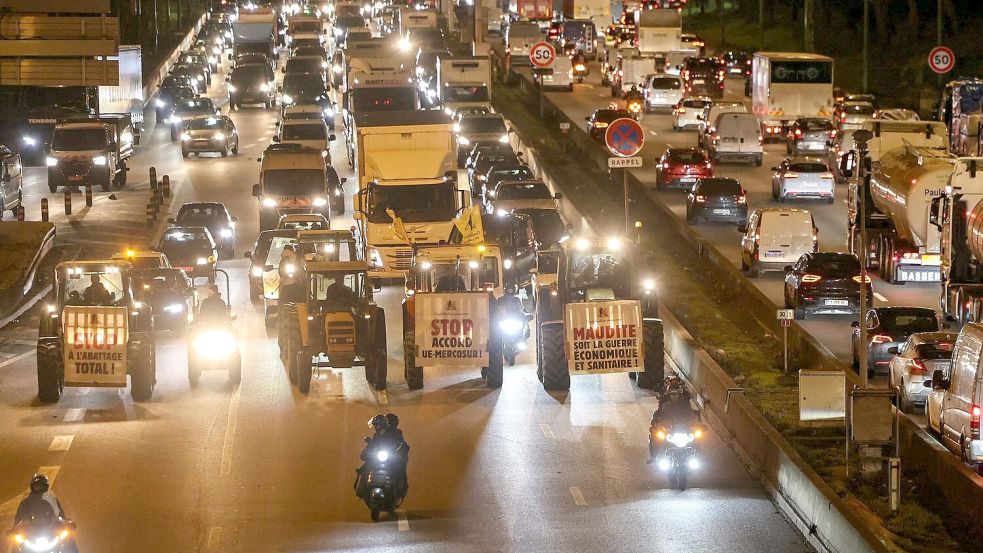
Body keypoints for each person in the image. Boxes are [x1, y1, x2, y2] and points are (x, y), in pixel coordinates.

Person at [647, 376, 701, 464]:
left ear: (679, 394)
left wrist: (696, 423)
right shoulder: (665, 404)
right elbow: (660, 414)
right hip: (669, 428)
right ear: (669, 394)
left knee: (696, 437)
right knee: (655, 436)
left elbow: (690, 414)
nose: (674, 396)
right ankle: (654, 456)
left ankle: (696, 454)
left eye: (676, 394)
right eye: (672, 394)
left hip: (683, 428)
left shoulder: (685, 403)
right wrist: (657, 422)